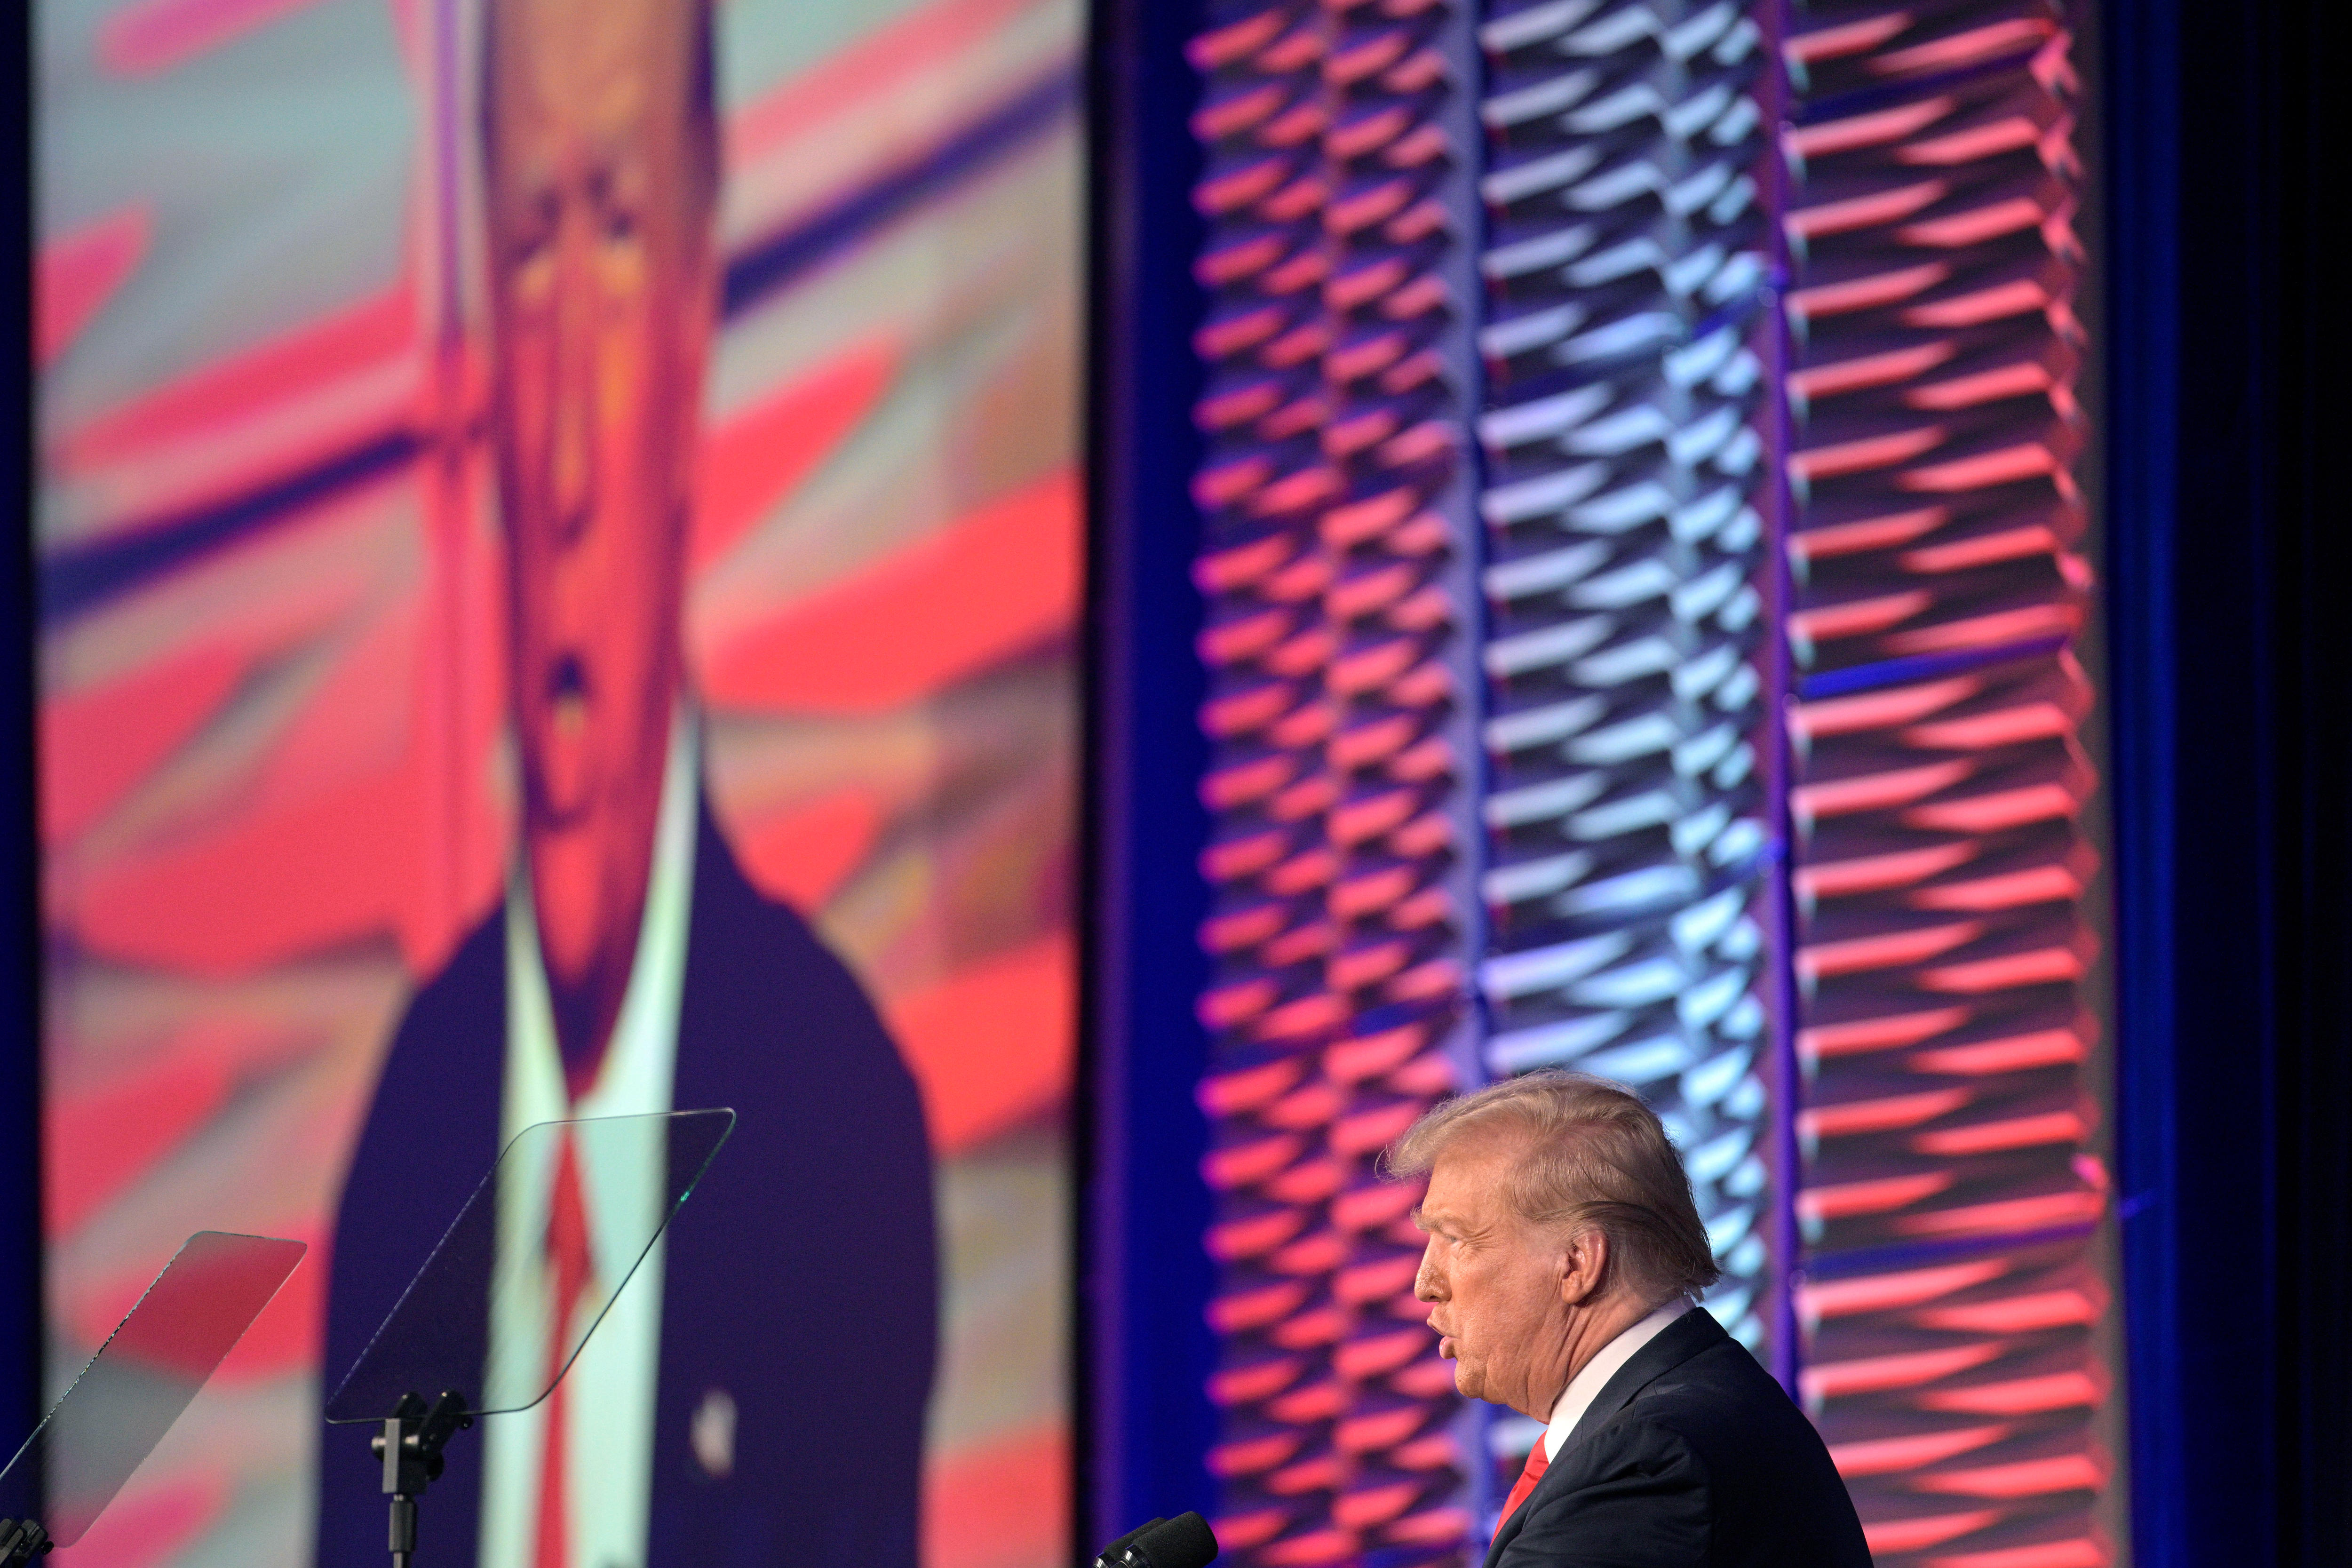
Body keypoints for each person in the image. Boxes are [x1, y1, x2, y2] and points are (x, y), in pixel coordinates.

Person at [316, 0, 936, 1564]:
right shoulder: (415, 1129)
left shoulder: (832, 1112)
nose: (573, 465)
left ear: (702, 285)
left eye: (620, 233)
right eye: (531, 250)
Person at [1391, 1072, 1870, 1568]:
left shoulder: (1647, 1461)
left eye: (1456, 1239)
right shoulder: (1695, 1413)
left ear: (1577, 1264)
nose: (1425, 1283)